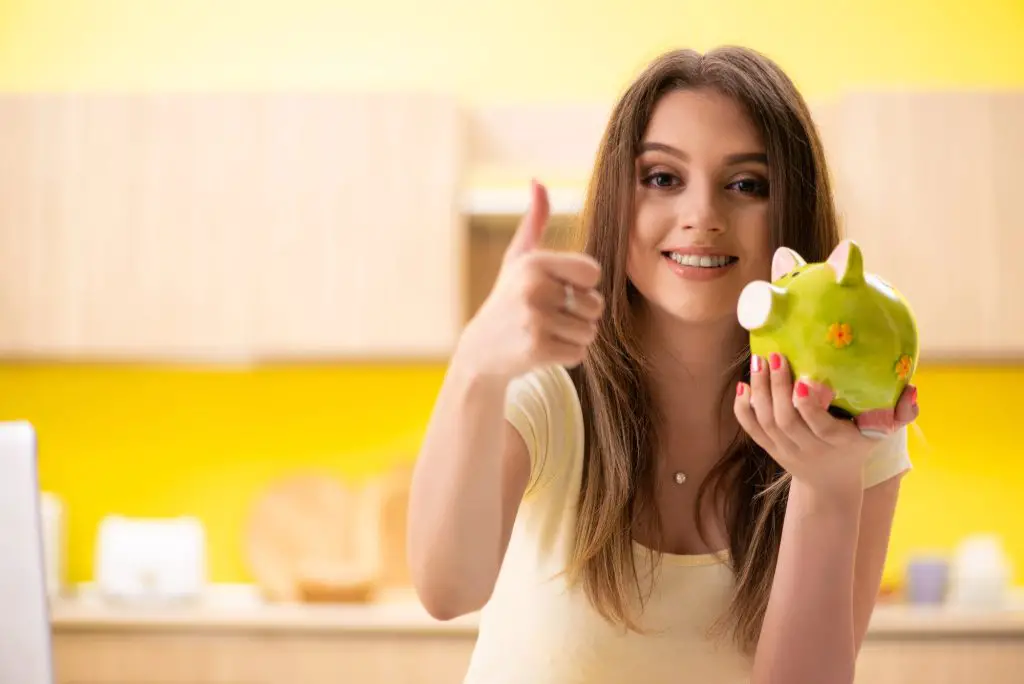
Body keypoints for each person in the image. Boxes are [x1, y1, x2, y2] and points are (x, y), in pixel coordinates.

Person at [407, 45, 919, 684]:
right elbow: (446, 591)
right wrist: (477, 365)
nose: (701, 216)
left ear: (791, 213)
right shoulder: (546, 387)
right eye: (662, 178)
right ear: (619, 201)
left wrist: (826, 488)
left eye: (745, 185)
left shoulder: (847, 424)